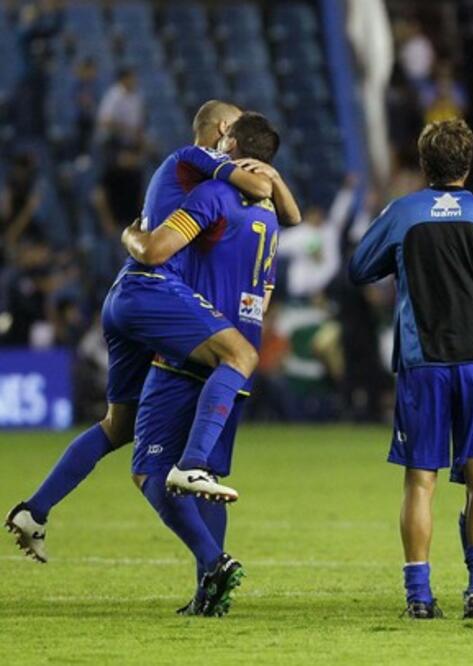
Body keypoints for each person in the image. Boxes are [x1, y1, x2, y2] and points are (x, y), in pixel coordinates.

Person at [5, 103, 298, 562]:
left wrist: (132, 236)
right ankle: (194, 470)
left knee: (118, 425)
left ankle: (34, 509)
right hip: (153, 288)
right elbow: (251, 193)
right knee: (238, 355)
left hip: (131, 294)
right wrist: (135, 239)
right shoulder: (197, 162)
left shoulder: (198, 184)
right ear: (224, 132)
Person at [348, 119, 473, 620]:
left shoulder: (403, 212)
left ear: (424, 165)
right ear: (468, 165)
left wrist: (405, 263)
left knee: (419, 480)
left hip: (422, 361)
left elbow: (360, 267)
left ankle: (419, 597)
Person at [128, 114, 283, 618]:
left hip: (193, 345)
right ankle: (208, 592)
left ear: (229, 142)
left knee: (150, 469)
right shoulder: (270, 216)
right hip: (239, 354)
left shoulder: (212, 197)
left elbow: (157, 252)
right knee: (213, 479)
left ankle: (213, 562)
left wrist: (133, 237)